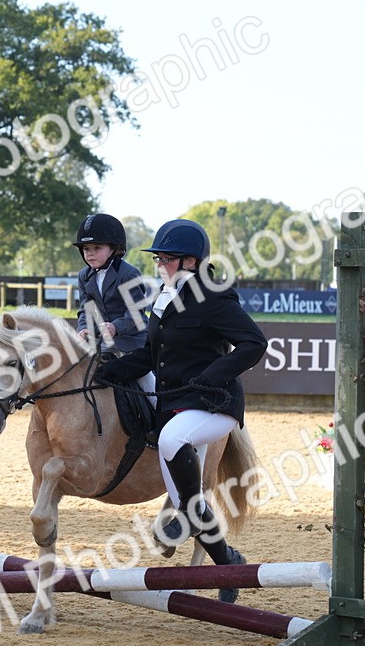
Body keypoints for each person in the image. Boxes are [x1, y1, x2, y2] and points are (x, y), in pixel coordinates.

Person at [97, 219, 266, 602]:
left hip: (215, 402)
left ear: (190, 261)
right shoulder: (164, 297)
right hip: (178, 404)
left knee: (173, 442)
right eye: (157, 257)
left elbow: (254, 343)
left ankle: (190, 519)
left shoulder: (214, 296)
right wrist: (107, 370)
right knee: (191, 498)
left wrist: (211, 375)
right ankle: (229, 563)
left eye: (166, 258)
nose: (159, 264)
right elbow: (148, 355)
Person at [72, 213, 156, 398]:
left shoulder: (128, 274)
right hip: (103, 344)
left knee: (149, 386)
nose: (90, 253)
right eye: (86, 248)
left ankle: (158, 410)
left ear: (114, 249)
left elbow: (136, 313)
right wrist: (84, 328)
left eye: (96, 247)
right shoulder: (84, 276)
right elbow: (85, 309)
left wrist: (115, 327)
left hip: (133, 342)